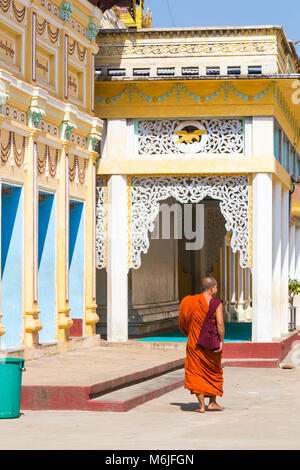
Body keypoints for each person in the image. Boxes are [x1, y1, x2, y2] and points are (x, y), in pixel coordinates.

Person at [179, 276, 225, 413]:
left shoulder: (189, 301)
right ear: (213, 289)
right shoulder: (216, 303)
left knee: (196, 372)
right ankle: (212, 402)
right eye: (216, 287)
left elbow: (183, 320)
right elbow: (220, 324)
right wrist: (222, 341)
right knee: (213, 371)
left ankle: (201, 406)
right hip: (211, 343)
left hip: (195, 342)